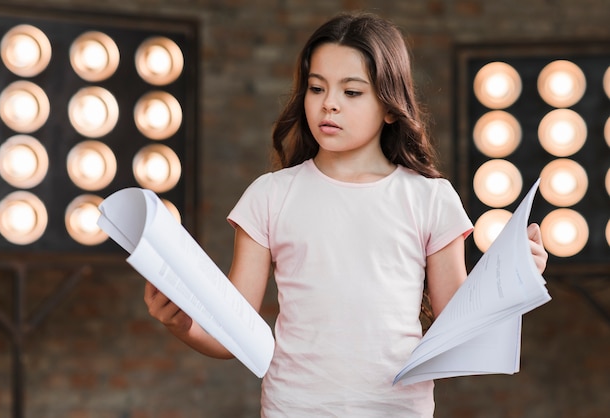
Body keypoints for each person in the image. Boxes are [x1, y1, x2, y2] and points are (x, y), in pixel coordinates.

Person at [144, 11, 548, 417]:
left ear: (390, 107)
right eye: (316, 88)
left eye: (351, 92)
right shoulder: (270, 196)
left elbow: (459, 329)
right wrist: (182, 325)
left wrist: (515, 277)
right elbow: (234, 334)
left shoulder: (431, 198)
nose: (329, 104)